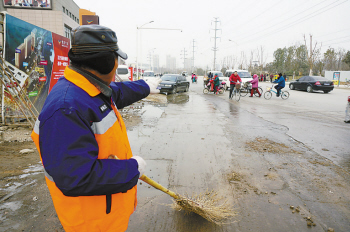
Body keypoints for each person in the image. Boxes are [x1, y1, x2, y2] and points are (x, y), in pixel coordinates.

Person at [31, 25, 162, 232]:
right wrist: (131, 169)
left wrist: (144, 86)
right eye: (115, 58)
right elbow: (77, 177)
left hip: (107, 214)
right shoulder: (66, 108)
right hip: (92, 223)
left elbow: (117, 93)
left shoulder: (87, 89)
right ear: (106, 61)